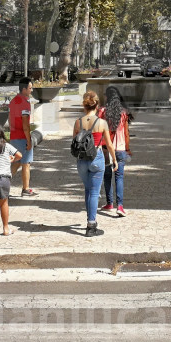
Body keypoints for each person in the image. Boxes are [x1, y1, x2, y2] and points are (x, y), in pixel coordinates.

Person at [73, 91, 116, 237]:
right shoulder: (102, 123)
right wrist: (114, 160)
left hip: (82, 160)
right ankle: (91, 225)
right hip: (96, 158)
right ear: (97, 105)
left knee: (88, 189)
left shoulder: (78, 122)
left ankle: (90, 220)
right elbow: (109, 145)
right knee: (94, 192)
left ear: (84, 106)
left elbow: (75, 142)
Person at [98, 86, 133, 216]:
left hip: (106, 148)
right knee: (119, 177)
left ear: (107, 97)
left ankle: (109, 203)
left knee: (107, 176)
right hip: (121, 148)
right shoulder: (123, 113)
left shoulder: (102, 111)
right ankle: (120, 206)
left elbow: (98, 130)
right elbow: (126, 133)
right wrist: (128, 149)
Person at [8, 77, 36, 196]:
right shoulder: (25, 103)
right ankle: (26, 189)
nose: (31, 90)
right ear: (24, 89)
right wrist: (29, 140)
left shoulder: (13, 101)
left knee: (16, 162)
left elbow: (10, 120)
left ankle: (3, 184)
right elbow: (25, 124)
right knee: (26, 163)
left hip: (13, 135)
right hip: (22, 136)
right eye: (30, 88)